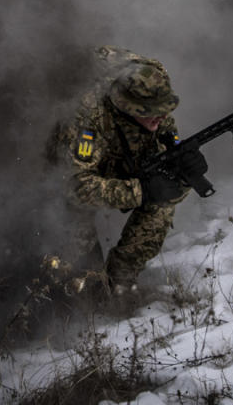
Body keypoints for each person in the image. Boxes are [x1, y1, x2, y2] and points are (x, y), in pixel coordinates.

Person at [53, 46, 209, 296]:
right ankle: (71, 293)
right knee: (74, 251)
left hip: (124, 161)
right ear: (129, 108)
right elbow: (75, 186)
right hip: (76, 174)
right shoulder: (88, 118)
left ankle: (118, 285)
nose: (161, 118)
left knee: (162, 203)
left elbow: (167, 149)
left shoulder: (157, 101)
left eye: (164, 111)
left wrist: (185, 173)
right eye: (152, 114)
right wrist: (139, 191)